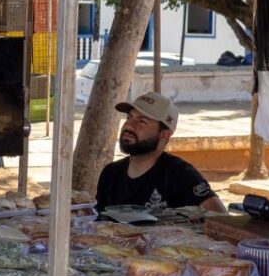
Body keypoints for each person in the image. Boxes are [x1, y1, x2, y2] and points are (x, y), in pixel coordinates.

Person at [96, 91, 227, 213]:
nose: (129, 126)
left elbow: (221, 219)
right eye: (129, 118)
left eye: (142, 121)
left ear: (164, 134)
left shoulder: (181, 175)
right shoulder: (111, 173)